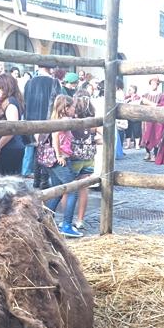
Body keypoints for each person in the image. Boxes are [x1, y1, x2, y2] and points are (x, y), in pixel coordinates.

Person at [37, 94, 82, 238]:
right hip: (59, 160)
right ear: (66, 108)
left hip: (53, 160)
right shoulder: (63, 121)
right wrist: (59, 155)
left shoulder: (57, 119)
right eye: (73, 106)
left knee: (58, 190)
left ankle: (46, 220)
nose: (75, 109)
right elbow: (56, 136)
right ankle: (67, 224)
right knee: (72, 189)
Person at [24, 64, 61, 186]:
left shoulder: (29, 83)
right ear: (50, 68)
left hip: (31, 121)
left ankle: (36, 179)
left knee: (36, 150)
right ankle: (44, 181)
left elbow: (26, 103)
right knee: (46, 149)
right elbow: (57, 104)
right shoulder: (54, 83)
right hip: (47, 120)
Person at [70, 91, 98, 230]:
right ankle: (80, 220)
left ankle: (67, 219)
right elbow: (104, 135)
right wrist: (92, 141)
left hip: (74, 157)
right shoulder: (93, 120)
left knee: (68, 189)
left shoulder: (72, 119)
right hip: (89, 157)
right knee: (83, 188)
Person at [0, 73, 25, 175]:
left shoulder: (10, 102)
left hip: (8, 148)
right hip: (7, 147)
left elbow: (12, 128)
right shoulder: (6, 102)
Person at [140, 76, 163, 162]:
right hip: (147, 118)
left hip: (156, 119)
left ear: (158, 84)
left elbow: (160, 105)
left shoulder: (161, 95)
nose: (154, 84)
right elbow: (141, 104)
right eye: (152, 82)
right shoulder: (146, 94)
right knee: (146, 135)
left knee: (156, 135)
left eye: (155, 82)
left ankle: (155, 154)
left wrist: (149, 103)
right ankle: (148, 152)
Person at [123, 84, 142, 150]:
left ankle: (137, 145)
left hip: (136, 116)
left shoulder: (138, 97)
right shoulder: (126, 97)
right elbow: (124, 103)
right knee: (128, 130)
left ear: (134, 90)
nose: (129, 91)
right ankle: (128, 145)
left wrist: (130, 101)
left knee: (137, 130)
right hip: (128, 115)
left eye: (130, 89)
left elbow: (137, 104)